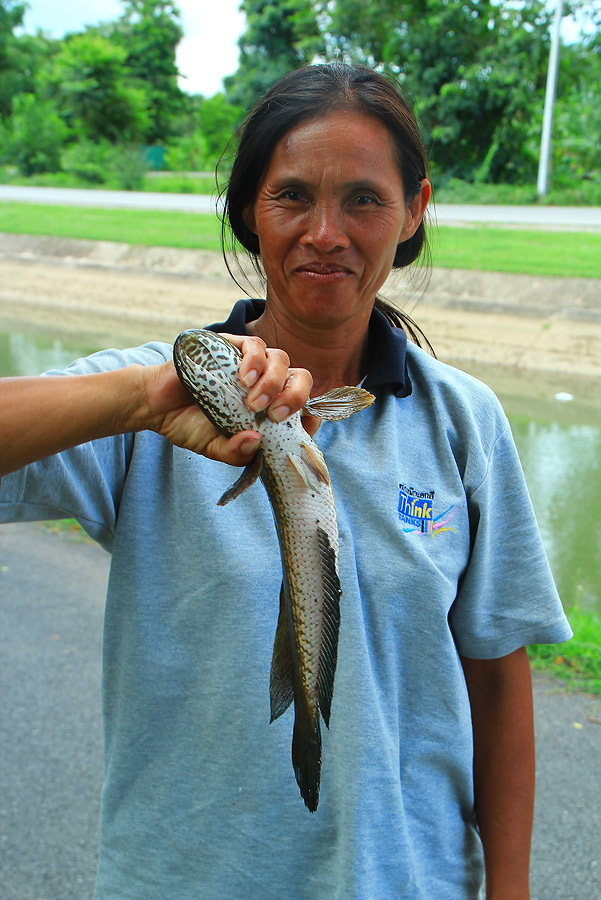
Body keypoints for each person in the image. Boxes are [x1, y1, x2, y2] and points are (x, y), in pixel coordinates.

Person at [0, 63, 572, 900]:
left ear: (415, 209)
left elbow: (494, 673)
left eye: (365, 200)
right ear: (247, 212)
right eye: (292, 196)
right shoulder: (145, 402)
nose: (326, 232)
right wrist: (140, 398)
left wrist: (510, 889)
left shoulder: (464, 420)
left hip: (406, 880)